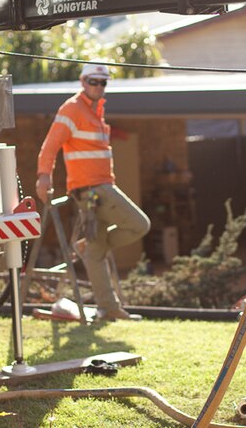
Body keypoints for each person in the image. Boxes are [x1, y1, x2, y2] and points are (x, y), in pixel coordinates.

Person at [36, 63, 151, 321]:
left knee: (95, 253)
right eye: (93, 81)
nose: (98, 86)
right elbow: (50, 146)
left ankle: (109, 308)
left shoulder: (96, 112)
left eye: (102, 82)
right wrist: (44, 177)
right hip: (92, 190)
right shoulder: (72, 109)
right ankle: (87, 245)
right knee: (139, 224)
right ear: (82, 81)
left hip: (100, 186)